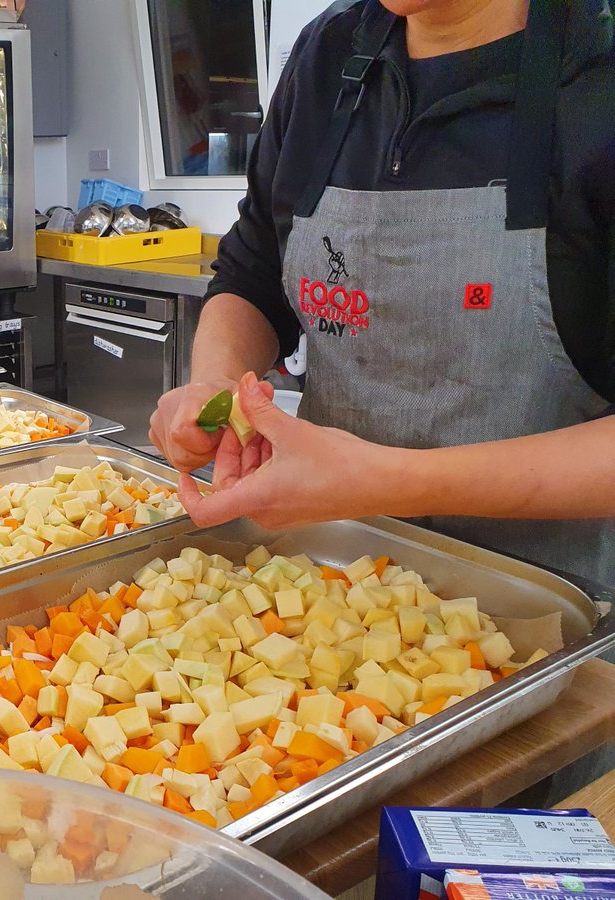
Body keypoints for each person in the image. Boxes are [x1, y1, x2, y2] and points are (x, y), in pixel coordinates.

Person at [149, 0, 615, 582]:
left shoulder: (596, 65)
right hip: (329, 578)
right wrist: (217, 388)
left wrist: (382, 482)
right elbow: (255, 269)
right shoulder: (327, 55)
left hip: (552, 610)